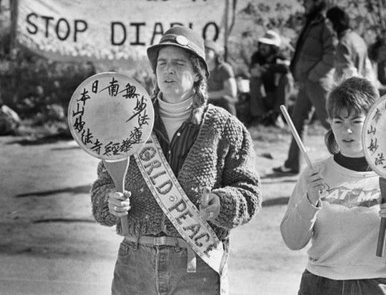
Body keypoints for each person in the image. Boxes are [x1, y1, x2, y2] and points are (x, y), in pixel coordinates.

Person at [90, 26, 261, 294]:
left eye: (178, 63)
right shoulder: (128, 123)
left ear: (197, 74)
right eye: (162, 63)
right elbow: (102, 185)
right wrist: (109, 201)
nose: (168, 70)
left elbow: (249, 193)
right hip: (135, 263)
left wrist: (223, 203)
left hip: (197, 264)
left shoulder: (226, 128)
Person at [280, 77, 386, 295]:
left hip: (378, 286)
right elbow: (292, 241)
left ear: (374, 122)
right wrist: (309, 201)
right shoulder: (315, 175)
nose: (346, 131)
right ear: (329, 122)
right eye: (338, 121)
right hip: (320, 285)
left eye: (356, 122)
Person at [273, 0, 336, 174]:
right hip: (306, 83)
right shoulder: (312, 23)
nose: (304, 5)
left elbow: (331, 56)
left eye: (307, 1)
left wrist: (313, 75)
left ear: (317, 2)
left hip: (317, 82)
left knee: (331, 122)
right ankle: (293, 164)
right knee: (297, 121)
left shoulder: (326, 25)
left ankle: (354, 161)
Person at [248, 30, 292, 126]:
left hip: (278, 96)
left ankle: (277, 115)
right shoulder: (256, 56)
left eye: (266, 45)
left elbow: (286, 68)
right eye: (262, 44)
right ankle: (259, 116)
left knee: (287, 78)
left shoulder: (281, 57)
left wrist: (268, 68)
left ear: (274, 47)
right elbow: (254, 71)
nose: (262, 47)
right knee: (254, 79)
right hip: (264, 96)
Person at [325, 6, 377, 84]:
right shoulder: (359, 39)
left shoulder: (343, 43)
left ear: (334, 23)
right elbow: (368, 71)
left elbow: (349, 74)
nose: (326, 27)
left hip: (350, 90)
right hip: (362, 88)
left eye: (328, 23)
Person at [205, 40, 238, 116]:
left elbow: (232, 92)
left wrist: (209, 95)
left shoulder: (224, 68)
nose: (204, 54)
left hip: (223, 104)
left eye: (207, 51)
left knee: (225, 100)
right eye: (203, 51)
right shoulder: (201, 70)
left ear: (215, 54)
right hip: (208, 103)